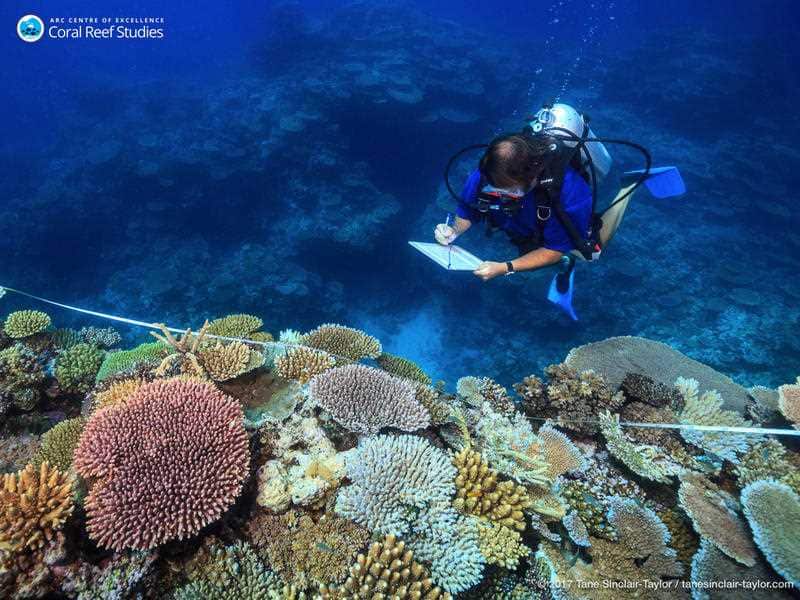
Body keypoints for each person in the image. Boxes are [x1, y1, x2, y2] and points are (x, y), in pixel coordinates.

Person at [434, 132, 592, 292]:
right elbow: (467, 212)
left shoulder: (569, 192)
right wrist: (453, 231)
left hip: (548, 224)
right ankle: (565, 263)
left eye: (507, 191)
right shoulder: (485, 176)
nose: (499, 196)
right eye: (493, 190)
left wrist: (505, 267)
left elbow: (554, 250)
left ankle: (620, 193)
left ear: (532, 178)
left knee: (590, 252)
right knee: (531, 258)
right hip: (522, 227)